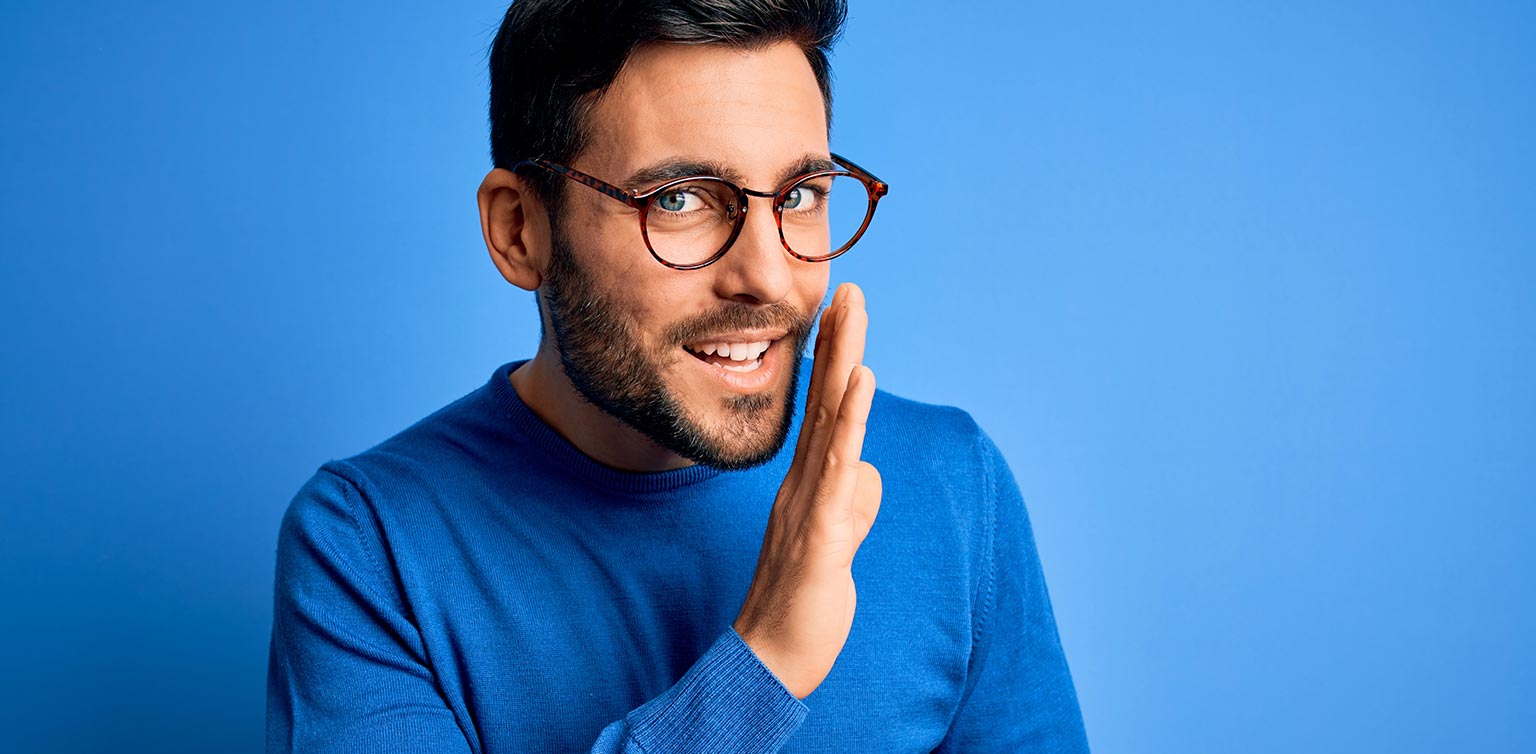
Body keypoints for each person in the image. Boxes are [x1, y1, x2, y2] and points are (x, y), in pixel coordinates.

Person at [265, 0, 1090, 751]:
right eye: (681, 200)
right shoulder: (370, 547)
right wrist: (763, 663)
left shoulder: (951, 487)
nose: (767, 276)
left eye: (800, 194)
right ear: (520, 230)